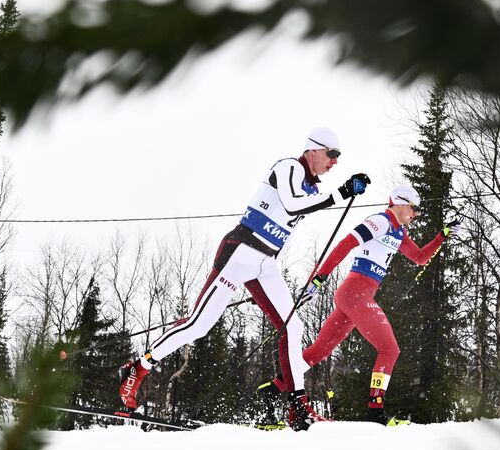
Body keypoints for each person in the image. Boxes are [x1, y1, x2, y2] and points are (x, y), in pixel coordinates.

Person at [117, 126, 369, 430]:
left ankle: (297, 406)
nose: (335, 162)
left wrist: (340, 192)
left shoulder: (312, 188)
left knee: (293, 326)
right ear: (313, 149)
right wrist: (341, 192)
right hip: (240, 251)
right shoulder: (288, 166)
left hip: (265, 263)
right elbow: (291, 203)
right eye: (332, 154)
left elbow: (304, 204)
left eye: (337, 158)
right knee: (199, 325)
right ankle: (137, 368)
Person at [296, 183, 448, 424]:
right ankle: (375, 411)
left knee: (317, 353)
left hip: (354, 297)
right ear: (399, 203)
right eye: (413, 208)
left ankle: (274, 387)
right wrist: (319, 276)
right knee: (390, 349)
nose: (416, 214)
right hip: (355, 294)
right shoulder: (381, 221)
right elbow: (346, 243)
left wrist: (442, 236)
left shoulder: (399, 232)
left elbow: (420, 258)